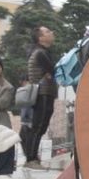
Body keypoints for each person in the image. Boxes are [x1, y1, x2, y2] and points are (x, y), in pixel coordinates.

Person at [20, 27, 57, 169]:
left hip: (43, 92)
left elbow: (50, 72)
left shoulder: (40, 52)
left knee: (38, 127)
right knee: (39, 126)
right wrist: (50, 74)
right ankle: (31, 158)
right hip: (43, 92)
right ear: (40, 38)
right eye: (48, 32)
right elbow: (53, 70)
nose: (51, 33)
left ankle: (32, 157)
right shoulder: (41, 53)